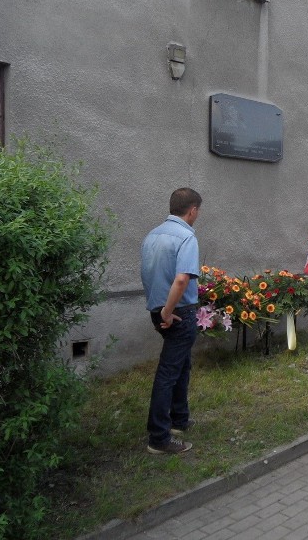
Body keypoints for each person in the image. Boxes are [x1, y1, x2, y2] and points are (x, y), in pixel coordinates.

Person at [140, 187, 202, 454]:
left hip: (159, 310)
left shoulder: (152, 235)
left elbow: (147, 273)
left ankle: (179, 419)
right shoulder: (186, 237)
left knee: (181, 365)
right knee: (168, 372)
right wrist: (168, 311)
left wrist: (159, 311)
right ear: (193, 211)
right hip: (178, 312)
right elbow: (181, 279)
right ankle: (159, 438)